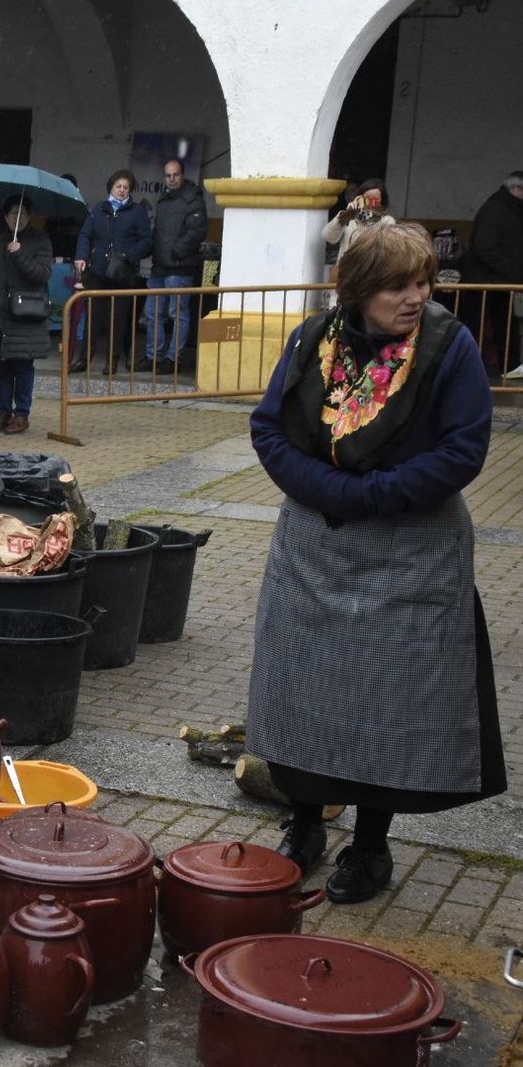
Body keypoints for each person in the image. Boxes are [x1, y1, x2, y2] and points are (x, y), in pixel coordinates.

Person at [247, 223, 504, 905]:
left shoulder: (449, 349)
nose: (416, 296)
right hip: (315, 550)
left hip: (409, 553)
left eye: (424, 282)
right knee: (302, 694)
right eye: (398, 285)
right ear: (359, 289)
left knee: (385, 703)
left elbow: (462, 450)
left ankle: (370, 846)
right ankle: (303, 828)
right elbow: (268, 425)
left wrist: (371, 495)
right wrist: (329, 491)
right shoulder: (313, 341)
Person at [0, 197, 53, 434]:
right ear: (4, 217)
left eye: (21, 213)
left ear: (29, 217)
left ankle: (22, 413)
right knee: (2, 366)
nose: (16, 218)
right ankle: (3, 411)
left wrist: (20, 254)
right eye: (11, 213)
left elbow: (41, 275)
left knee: (22, 366)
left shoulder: (40, 241)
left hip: (25, 315)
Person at [73, 169, 153, 372]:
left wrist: (128, 255)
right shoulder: (100, 208)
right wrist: (81, 256)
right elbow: (85, 235)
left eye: (126, 187)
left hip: (122, 275)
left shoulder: (137, 212)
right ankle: (83, 359)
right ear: (111, 187)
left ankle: (113, 361)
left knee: (117, 322)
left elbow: (146, 241)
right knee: (93, 319)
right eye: (118, 186)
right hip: (98, 272)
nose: (122, 190)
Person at [142, 159, 206, 370]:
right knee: (153, 313)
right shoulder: (163, 199)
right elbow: (159, 232)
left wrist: (176, 252)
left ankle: (174, 359)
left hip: (180, 266)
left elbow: (196, 231)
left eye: (175, 174)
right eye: (168, 175)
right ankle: (154, 357)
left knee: (177, 313)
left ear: (183, 174)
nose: (172, 179)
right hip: (160, 266)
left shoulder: (193, 198)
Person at [460, 171, 523, 370]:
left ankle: (508, 366)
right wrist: (511, 272)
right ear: (516, 189)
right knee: (486, 327)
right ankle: (500, 366)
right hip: (487, 282)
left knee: (500, 327)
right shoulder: (498, 210)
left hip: (493, 282)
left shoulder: (503, 208)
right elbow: (485, 247)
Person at [322, 178, 394, 267]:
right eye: (366, 199)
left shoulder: (387, 221)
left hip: (371, 272)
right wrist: (343, 216)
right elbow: (329, 237)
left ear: (382, 201)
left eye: (375, 200)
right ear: (359, 198)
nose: (370, 203)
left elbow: (386, 250)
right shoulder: (349, 217)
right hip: (346, 271)